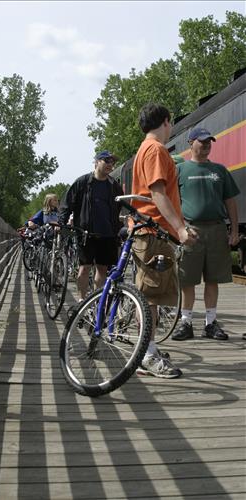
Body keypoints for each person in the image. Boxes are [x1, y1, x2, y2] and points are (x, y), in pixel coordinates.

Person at [130, 103, 198, 379]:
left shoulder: (144, 149)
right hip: (153, 232)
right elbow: (159, 194)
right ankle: (146, 355)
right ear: (167, 122)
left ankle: (149, 347)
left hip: (152, 231)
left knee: (151, 297)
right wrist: (180, 228)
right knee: (149, 299)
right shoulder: (156, 150)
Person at [171, 127, 240, 341]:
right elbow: (173, 203)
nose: (207, 144)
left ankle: (211, 324)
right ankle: (186, 323)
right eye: (202, 141)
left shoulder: (220, 170)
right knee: (187, 280)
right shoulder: (180, 171)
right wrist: (179, 229)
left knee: (213, 279)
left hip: (217, 229)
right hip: (191, 229)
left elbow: (230, 202)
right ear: (191, 143)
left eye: (209, 141)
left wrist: (235, 230)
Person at [58, 150, 124, 300]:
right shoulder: (82, 182)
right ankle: (82, 300)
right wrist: (62, 224)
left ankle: (96, 302)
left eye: (113, 162)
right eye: (106, 161)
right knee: (84, 269)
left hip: (108, 234)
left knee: (102, 269)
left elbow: (119, 205)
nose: (110, 165)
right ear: (96, 162)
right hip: (86, 233)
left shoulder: (114, 186)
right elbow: (67, 204)